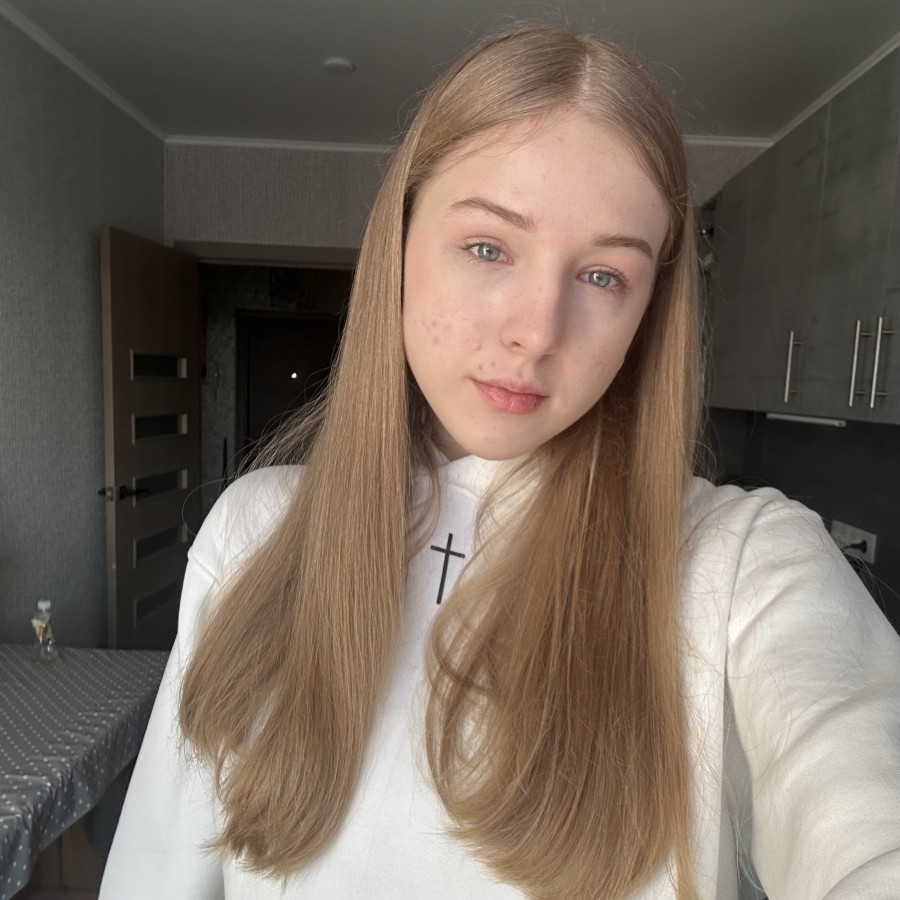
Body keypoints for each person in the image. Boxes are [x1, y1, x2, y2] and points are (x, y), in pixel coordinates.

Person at [99, 23, 900, 900]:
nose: (537, 331)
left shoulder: (742, 566)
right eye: (488, 247)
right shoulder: (256, 531)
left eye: (604, 276)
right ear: (400, 245)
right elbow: (153, 877)